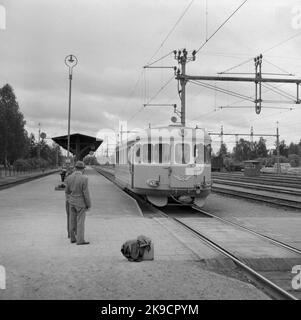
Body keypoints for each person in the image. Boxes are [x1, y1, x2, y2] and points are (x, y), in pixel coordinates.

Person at [65, 161, 91, 245]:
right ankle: (80, 240)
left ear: (75, 168)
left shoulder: (69, 178)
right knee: (80, 222)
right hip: (80, 203)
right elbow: (86, 193)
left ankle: (72, 238)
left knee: (72, 220)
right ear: (83, 169)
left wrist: (70, 199)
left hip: (71, 202)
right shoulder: (84, 178)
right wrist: (88, 204)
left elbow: (67, 191)